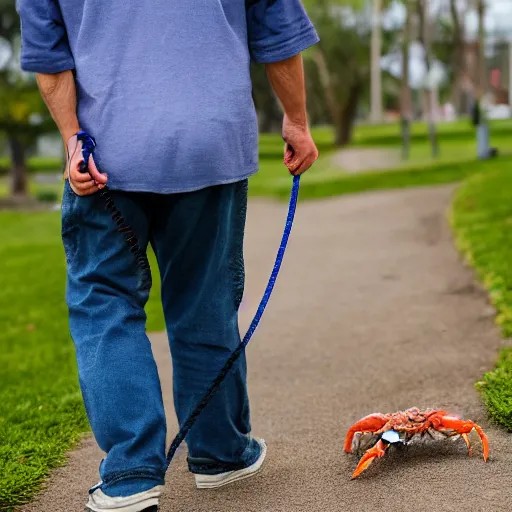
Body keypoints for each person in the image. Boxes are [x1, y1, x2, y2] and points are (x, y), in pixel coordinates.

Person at [17, 1, 319, 511]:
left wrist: (73, 138)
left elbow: (49, 51)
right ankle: (221, 454)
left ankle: (131, 475)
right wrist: (297, 120)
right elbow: (278, 27)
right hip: (211, 141)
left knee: (105, 304)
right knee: (204, 301)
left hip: (105, 154)